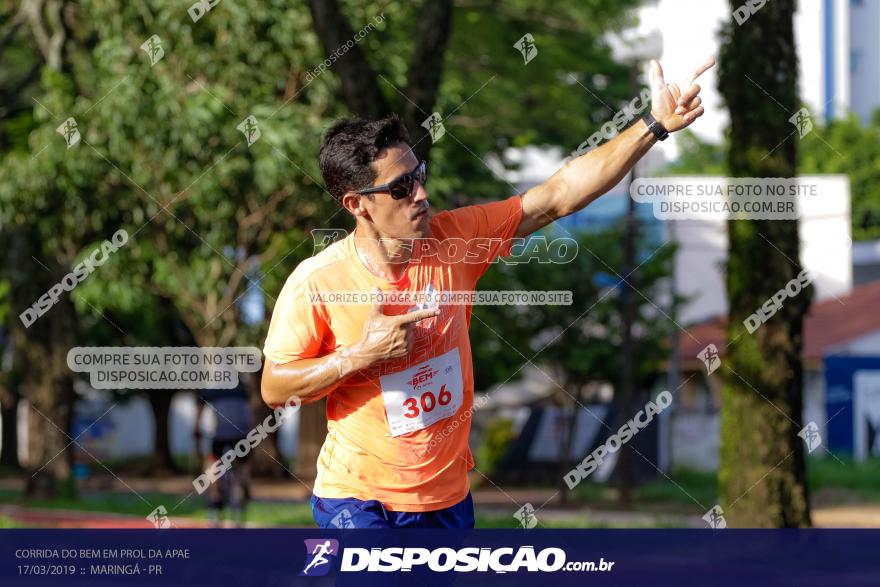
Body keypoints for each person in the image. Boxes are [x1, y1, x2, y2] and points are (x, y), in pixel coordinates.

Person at [261, 58, 714, 528]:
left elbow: (557, 195)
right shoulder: (318, 281)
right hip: (357, 499)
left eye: (419, 175)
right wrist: (360, 355)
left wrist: (653, 125)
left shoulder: (456, 240)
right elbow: (275, 387)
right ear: (357, 205)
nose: (419, 194)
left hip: (446, 497)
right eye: (399, 188)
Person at [194, 379, 254, 527]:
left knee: (213, 462)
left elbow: (200, 413)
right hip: (241, 434)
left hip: (219, 435)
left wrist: (196, 430)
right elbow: (250, 415)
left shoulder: (212, 389)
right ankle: (244, 486)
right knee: (244, 462)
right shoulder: (242, 388)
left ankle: (214, 500)